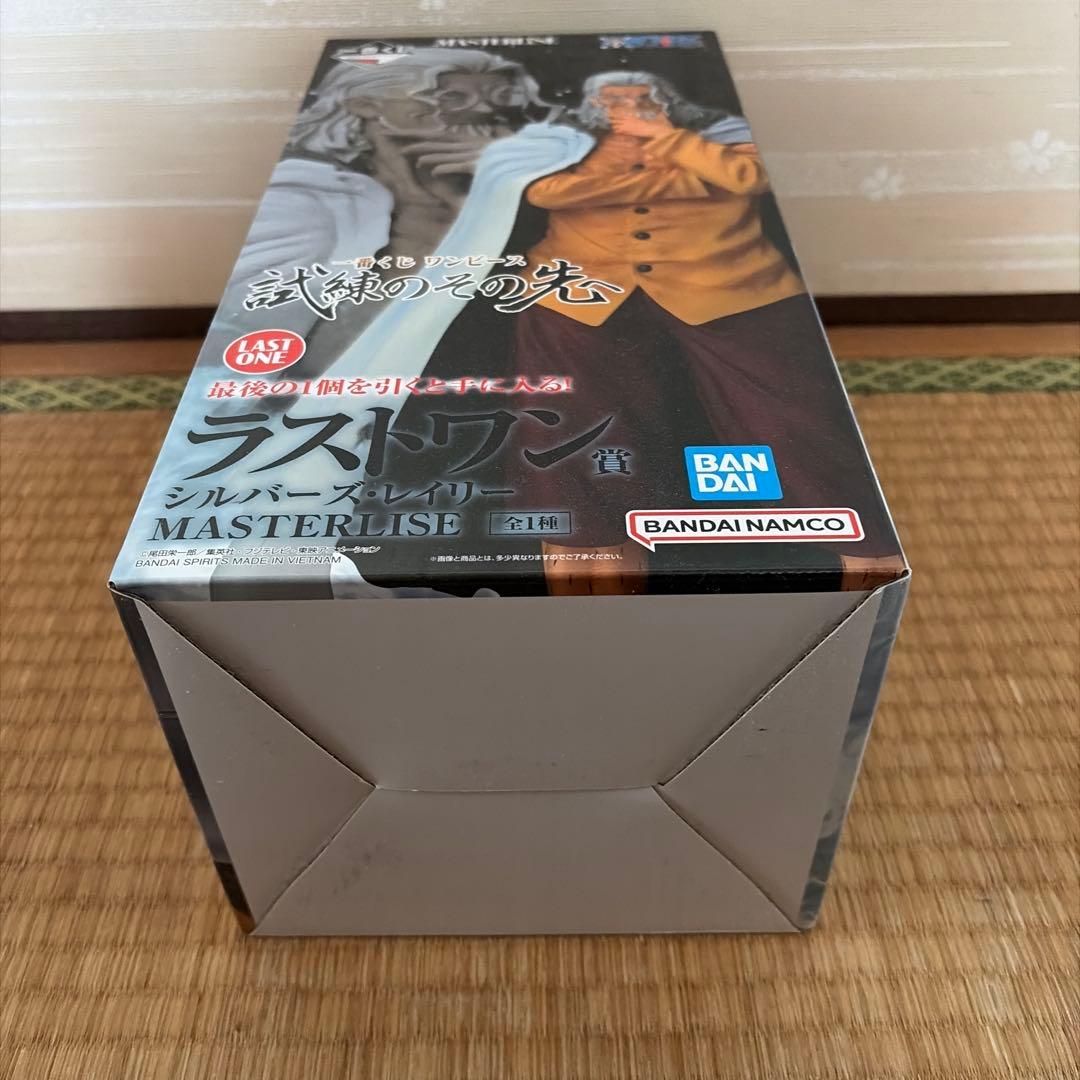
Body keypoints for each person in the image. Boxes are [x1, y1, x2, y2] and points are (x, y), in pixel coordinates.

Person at [512, 72, 903, 593]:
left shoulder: (722, 131)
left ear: (667, 100)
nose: (628, 106)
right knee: (573, 434)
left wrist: (667, 141)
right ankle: (593, 579)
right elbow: (544, 192)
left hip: (732, 283)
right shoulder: (564, 144)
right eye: (612, 100)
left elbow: (749, 177)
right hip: (580, 290)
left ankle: (871, 571)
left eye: (641, 97)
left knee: (796, 426)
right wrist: (694, 180)